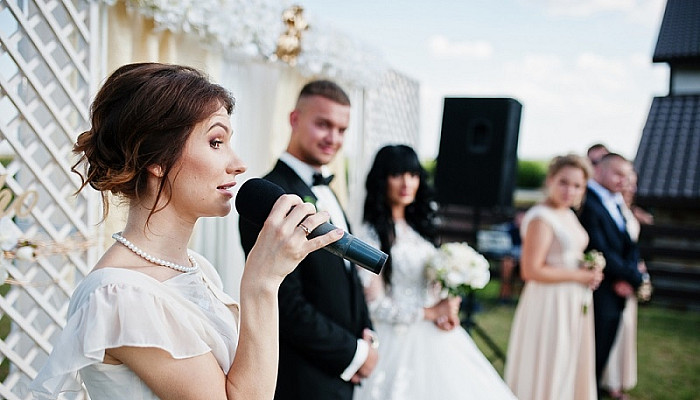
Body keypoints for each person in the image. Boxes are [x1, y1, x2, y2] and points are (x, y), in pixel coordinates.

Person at [29, 63, 342, 399]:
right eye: (216, 141)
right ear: (156, 157)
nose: (238, 164)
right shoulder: (119, 295)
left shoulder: (196, 269)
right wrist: (262, 284)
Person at [238, 80, 377, 400]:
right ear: (294, 119)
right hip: (303, 379)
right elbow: (284, 301)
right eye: (323, 125)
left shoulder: (328, 192)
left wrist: (369, 338)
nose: (334, 138)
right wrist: (353, 354)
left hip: (342, 377)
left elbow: (349, 277)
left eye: (342, 130)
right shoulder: (269, 197)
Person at [353, 144, 517, 400]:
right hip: (395, 338)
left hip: (436, 332)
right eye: (397, 175)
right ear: (381, 180)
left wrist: (446, 305)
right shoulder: (369, 236)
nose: (406, 183)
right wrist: (429, 312)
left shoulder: (420, 230)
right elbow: (374, 305)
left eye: (413, 174)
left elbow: (430, 282)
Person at [504, 154, 603, 400]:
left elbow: (565, 254)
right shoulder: (541, 217)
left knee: (568, 358)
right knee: (551, 358)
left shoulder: (568, 214)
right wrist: (579, 275)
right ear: (550, 180)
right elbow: (531, 270)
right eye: (564, 182)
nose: (570, 190)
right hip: (550, 302)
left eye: (578, 185)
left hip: (572, 300)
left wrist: (589, 269)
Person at [578, 153, 644, 396]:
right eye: (618, 174)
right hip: (600, 289)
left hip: (618, 289)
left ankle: (594, 389)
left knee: (606, 347)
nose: (623, 181)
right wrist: (634, 278)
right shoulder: (589, 202)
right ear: (599, 171)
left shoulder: (615, 202)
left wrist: (631, 276)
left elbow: (630, 245)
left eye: (627, 176)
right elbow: (600, 247)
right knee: (593, 348)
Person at [601, 166, 652, 400]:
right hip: (617, 280)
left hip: (630, 277)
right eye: (626, 181)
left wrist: (638, 275)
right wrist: (628, 276)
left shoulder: (628, 212)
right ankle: (608, 381)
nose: (629, 186)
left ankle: (618, 380)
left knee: (625, 329)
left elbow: (631, 249)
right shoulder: (611, 208)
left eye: (633, 183)